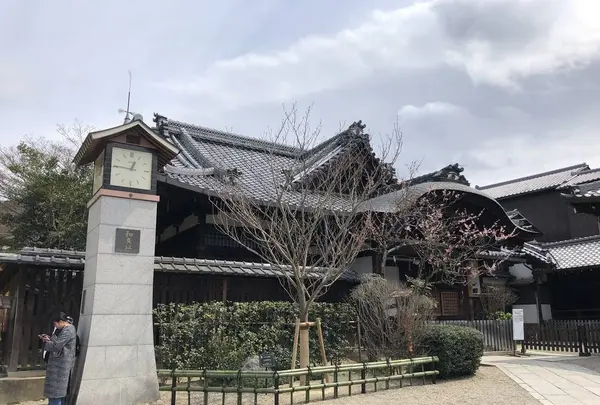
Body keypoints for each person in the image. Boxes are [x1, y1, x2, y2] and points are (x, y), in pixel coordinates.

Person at [39, 312, 77, 405]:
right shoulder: (67, 329)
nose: (55, 326)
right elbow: (59, 343)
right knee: (58, 393)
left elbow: (57, 346)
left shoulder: (68, 330)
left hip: (60, 366)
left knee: (56, 393)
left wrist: (47, 341)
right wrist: (49, 339)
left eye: (55, 324)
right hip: (59, 365)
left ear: (60, 322)